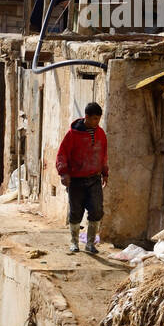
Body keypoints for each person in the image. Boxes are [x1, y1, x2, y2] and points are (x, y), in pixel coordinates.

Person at [55, 100, 108, 255]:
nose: (96, 122)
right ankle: (74, 242)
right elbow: (61, 154)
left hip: (94, 179)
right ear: (86, 116)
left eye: (98, 119)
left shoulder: (101, 134)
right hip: (76, 180)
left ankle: (90, 244)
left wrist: (105, 172)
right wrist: (63, 172)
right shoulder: (72, 135)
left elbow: (103, 155)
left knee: (96, 211)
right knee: (76, 212)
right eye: (93, 119)